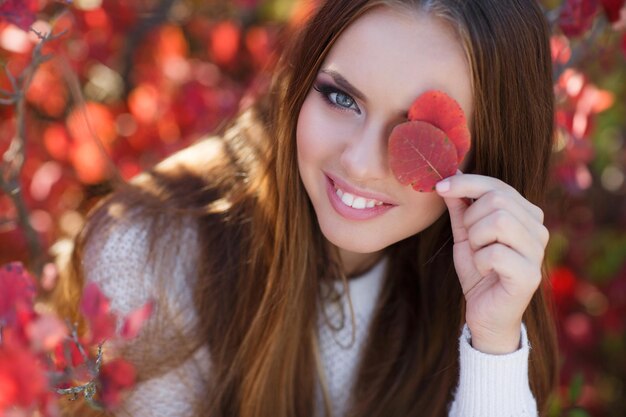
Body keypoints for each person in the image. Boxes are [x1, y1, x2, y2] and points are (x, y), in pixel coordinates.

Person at [53, 0, 559, 416]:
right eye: (341, 98)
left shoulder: (481, 288)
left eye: (416, 133)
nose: (360, 163)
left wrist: (493, 346)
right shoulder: (148, 253)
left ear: (492, 155)